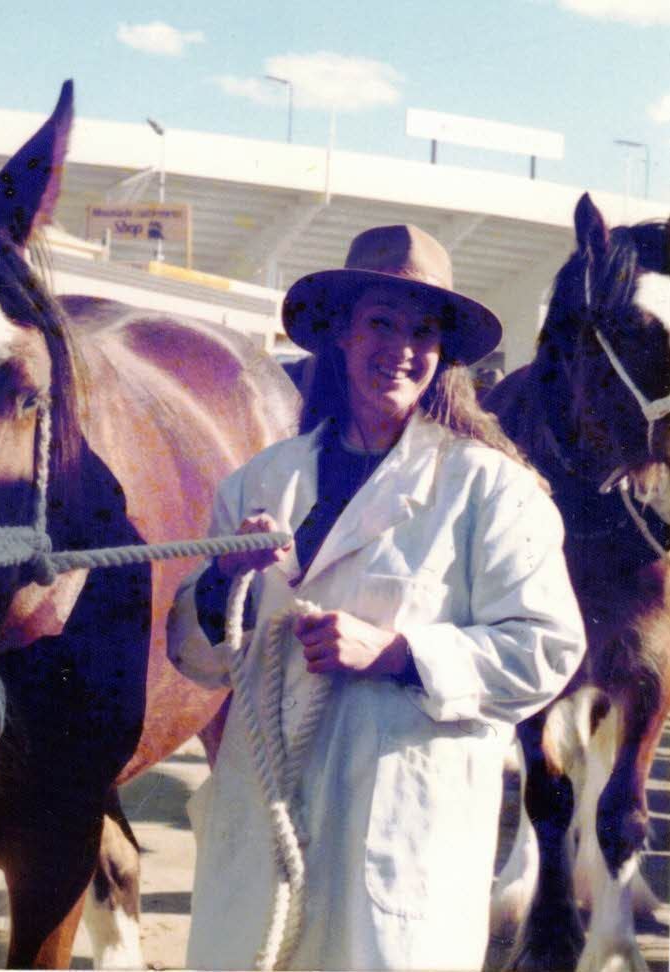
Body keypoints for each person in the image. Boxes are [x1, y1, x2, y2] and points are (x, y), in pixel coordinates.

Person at [167, 225, 585, 971]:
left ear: (444, 357)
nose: (400, 347)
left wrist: (395, 653)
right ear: (338, 335)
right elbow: (197, 659)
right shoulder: (260, 482)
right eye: (380, 324)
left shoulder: (489, 488)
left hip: (399, 838)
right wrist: (224, 578)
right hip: (262, 830)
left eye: (422, 332)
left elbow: (545, 648)